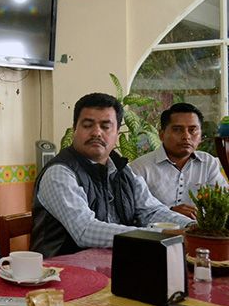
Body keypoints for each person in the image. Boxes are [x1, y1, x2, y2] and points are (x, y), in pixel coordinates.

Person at [31, 93, 193, 258]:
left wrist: (193, 228)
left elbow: (151, 211)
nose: (96, 133)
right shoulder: (59, 173)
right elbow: (85, 230)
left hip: (112, 266)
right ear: (75, 129)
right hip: (61, 273)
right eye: (87, 125)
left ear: (117, 133)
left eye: (105, 126)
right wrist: (160, 235)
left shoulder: (123, 170)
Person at [130, 103, 228, 219]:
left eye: (192, 130)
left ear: (201, 136)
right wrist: (169, 212)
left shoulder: (208, 162)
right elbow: (133, 213)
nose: (186, 136)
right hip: (155, 235)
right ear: (161, 135)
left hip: (201, 232)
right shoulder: (140, 168)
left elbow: (222, 201)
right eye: (177, 130)